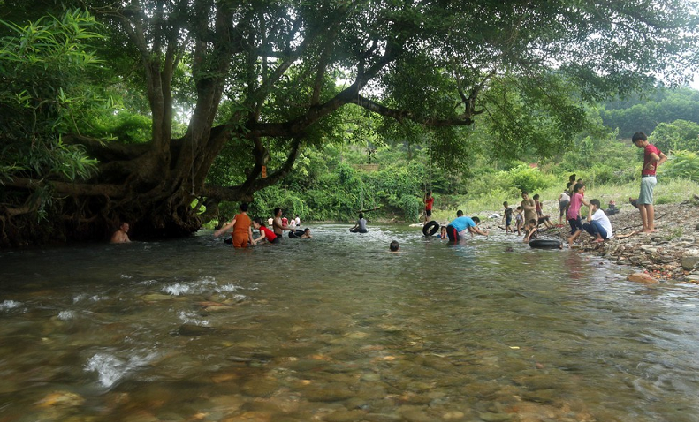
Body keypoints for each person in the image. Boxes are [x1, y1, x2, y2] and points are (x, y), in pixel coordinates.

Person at [632, 131, 667, 233]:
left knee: (648, 203)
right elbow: (664, 157)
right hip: (650, 177)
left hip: (648, 177)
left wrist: (650, 164)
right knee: (640, 203)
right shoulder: (654, 147)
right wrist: (657, 166)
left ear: (640, 141)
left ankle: (650, 227)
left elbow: (656, 157)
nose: (636, 145)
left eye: (635, 143)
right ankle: (645, 226)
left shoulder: (648, 148)